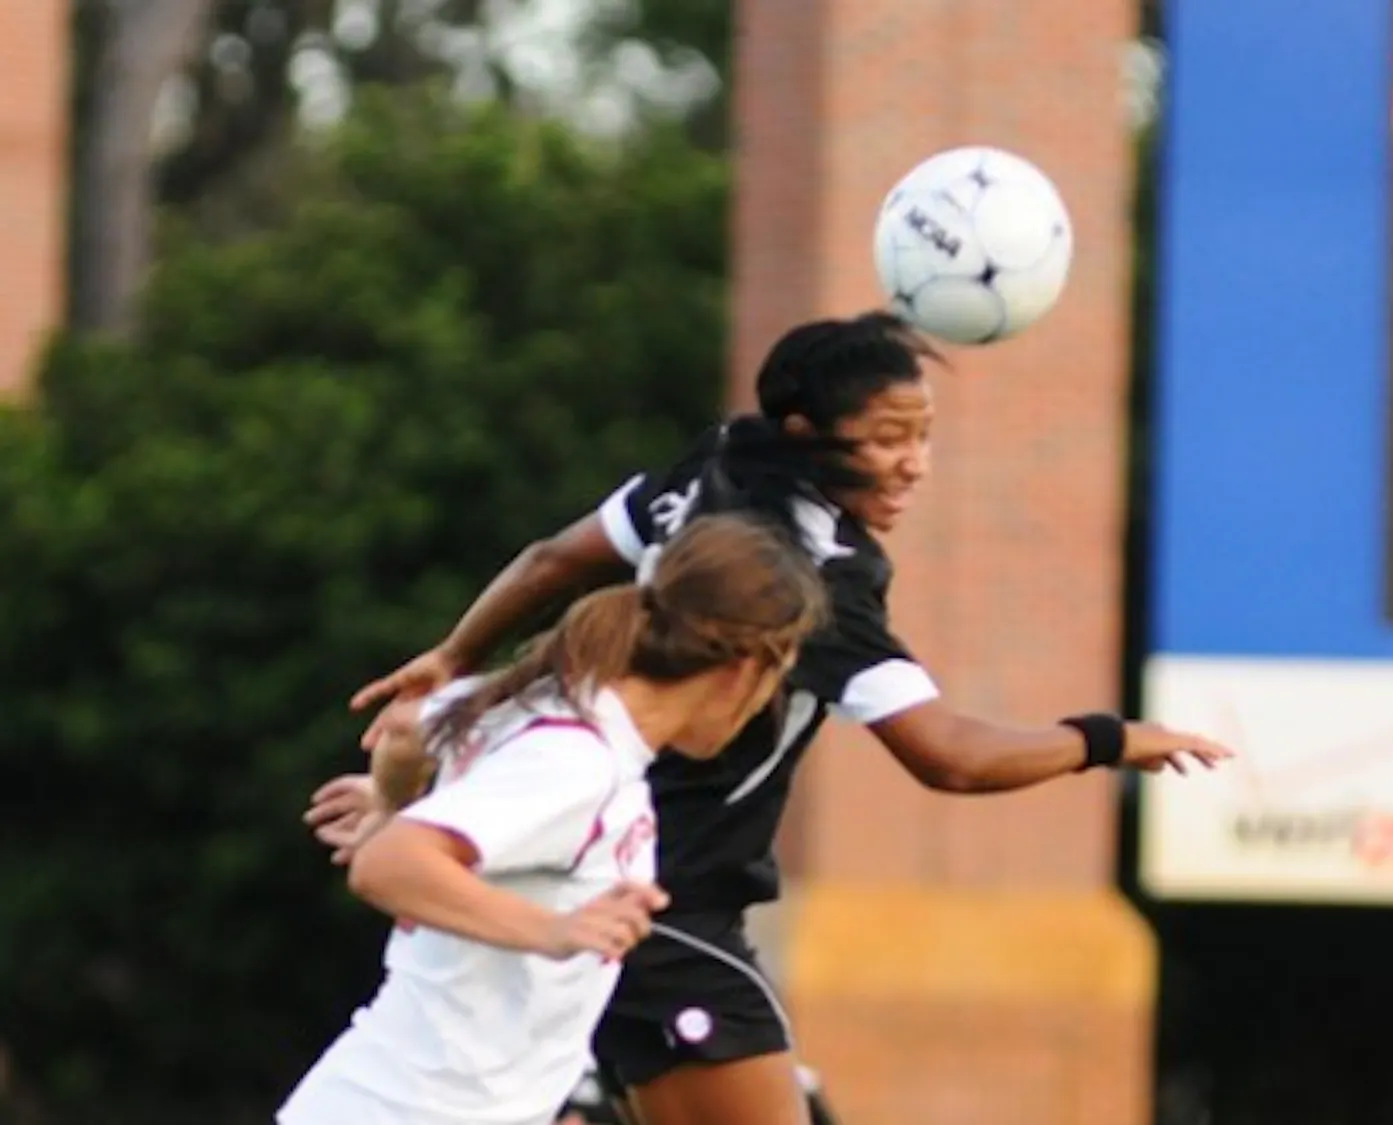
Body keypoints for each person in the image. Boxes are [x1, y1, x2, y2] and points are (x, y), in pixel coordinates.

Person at [318, 310, 1234, 1125]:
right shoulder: (804, 582)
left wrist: (446, 693)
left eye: (924, 436)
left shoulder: (719, 470)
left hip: (631, 894)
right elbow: (947, 755)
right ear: (752, 658)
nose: (914, 461)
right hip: (666, 910)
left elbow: (553, 560)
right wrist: (1106, 739)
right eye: (886, 438)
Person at [279, 514, 827, 1125]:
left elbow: (408, 729)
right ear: (744, 671)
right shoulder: (577, 764)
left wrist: (391, 802)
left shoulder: (546, 703)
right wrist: (554, 931)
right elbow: (389, 865)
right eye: (776, 684)